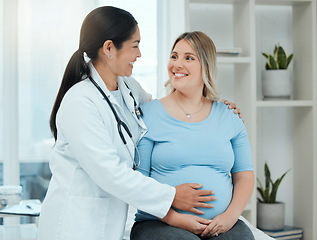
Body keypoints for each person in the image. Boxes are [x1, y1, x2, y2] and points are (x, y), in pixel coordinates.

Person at [37, 7, 241, 240]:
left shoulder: (127, 86)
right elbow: (109, 173)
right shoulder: (80, 102)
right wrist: (171, 195)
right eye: (135, 45)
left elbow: (166, 110)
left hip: (109, 222)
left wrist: (215, 108)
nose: (140, 54)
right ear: (109, 48)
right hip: (75, 225)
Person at [130, 31, 255, 240]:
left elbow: (244, 175)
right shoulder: (148, 115)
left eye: (189, 58)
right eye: (174, 56)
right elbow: (138, 182)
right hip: (159, 221)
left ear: (206, 66)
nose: (177, 64)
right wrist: (175, 218)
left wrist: (229, 218)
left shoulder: (229, 116)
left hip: (221, 223)